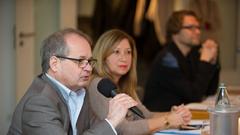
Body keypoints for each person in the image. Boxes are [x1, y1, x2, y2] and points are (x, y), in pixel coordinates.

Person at [7, 28, 138, 135]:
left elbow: (96, 128)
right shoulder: (38, 101)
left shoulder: (80, 91)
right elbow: (106, 127)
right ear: (54, 64)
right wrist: (112, 120)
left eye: (90, 61)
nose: (88, 68)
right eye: (80, 61)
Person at [88, 29, 192, 135]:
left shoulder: (124, 85)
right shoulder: (99, 85)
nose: (124, 58)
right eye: (117, 52)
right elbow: (123, 130)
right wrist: (168, 120)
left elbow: (146, 115)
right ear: (103, 56)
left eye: (128, 52)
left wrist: (175, 114)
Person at [143, 10, 220, 112]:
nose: (198, 32)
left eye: (198, 27)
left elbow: (209, 91)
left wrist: (212, 62)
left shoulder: (190, 56)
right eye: (190, 27)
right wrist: (205, 61)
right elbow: (194, 95)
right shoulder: (167, 59)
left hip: (178, 117)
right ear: (175, 31)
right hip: (160, 119)